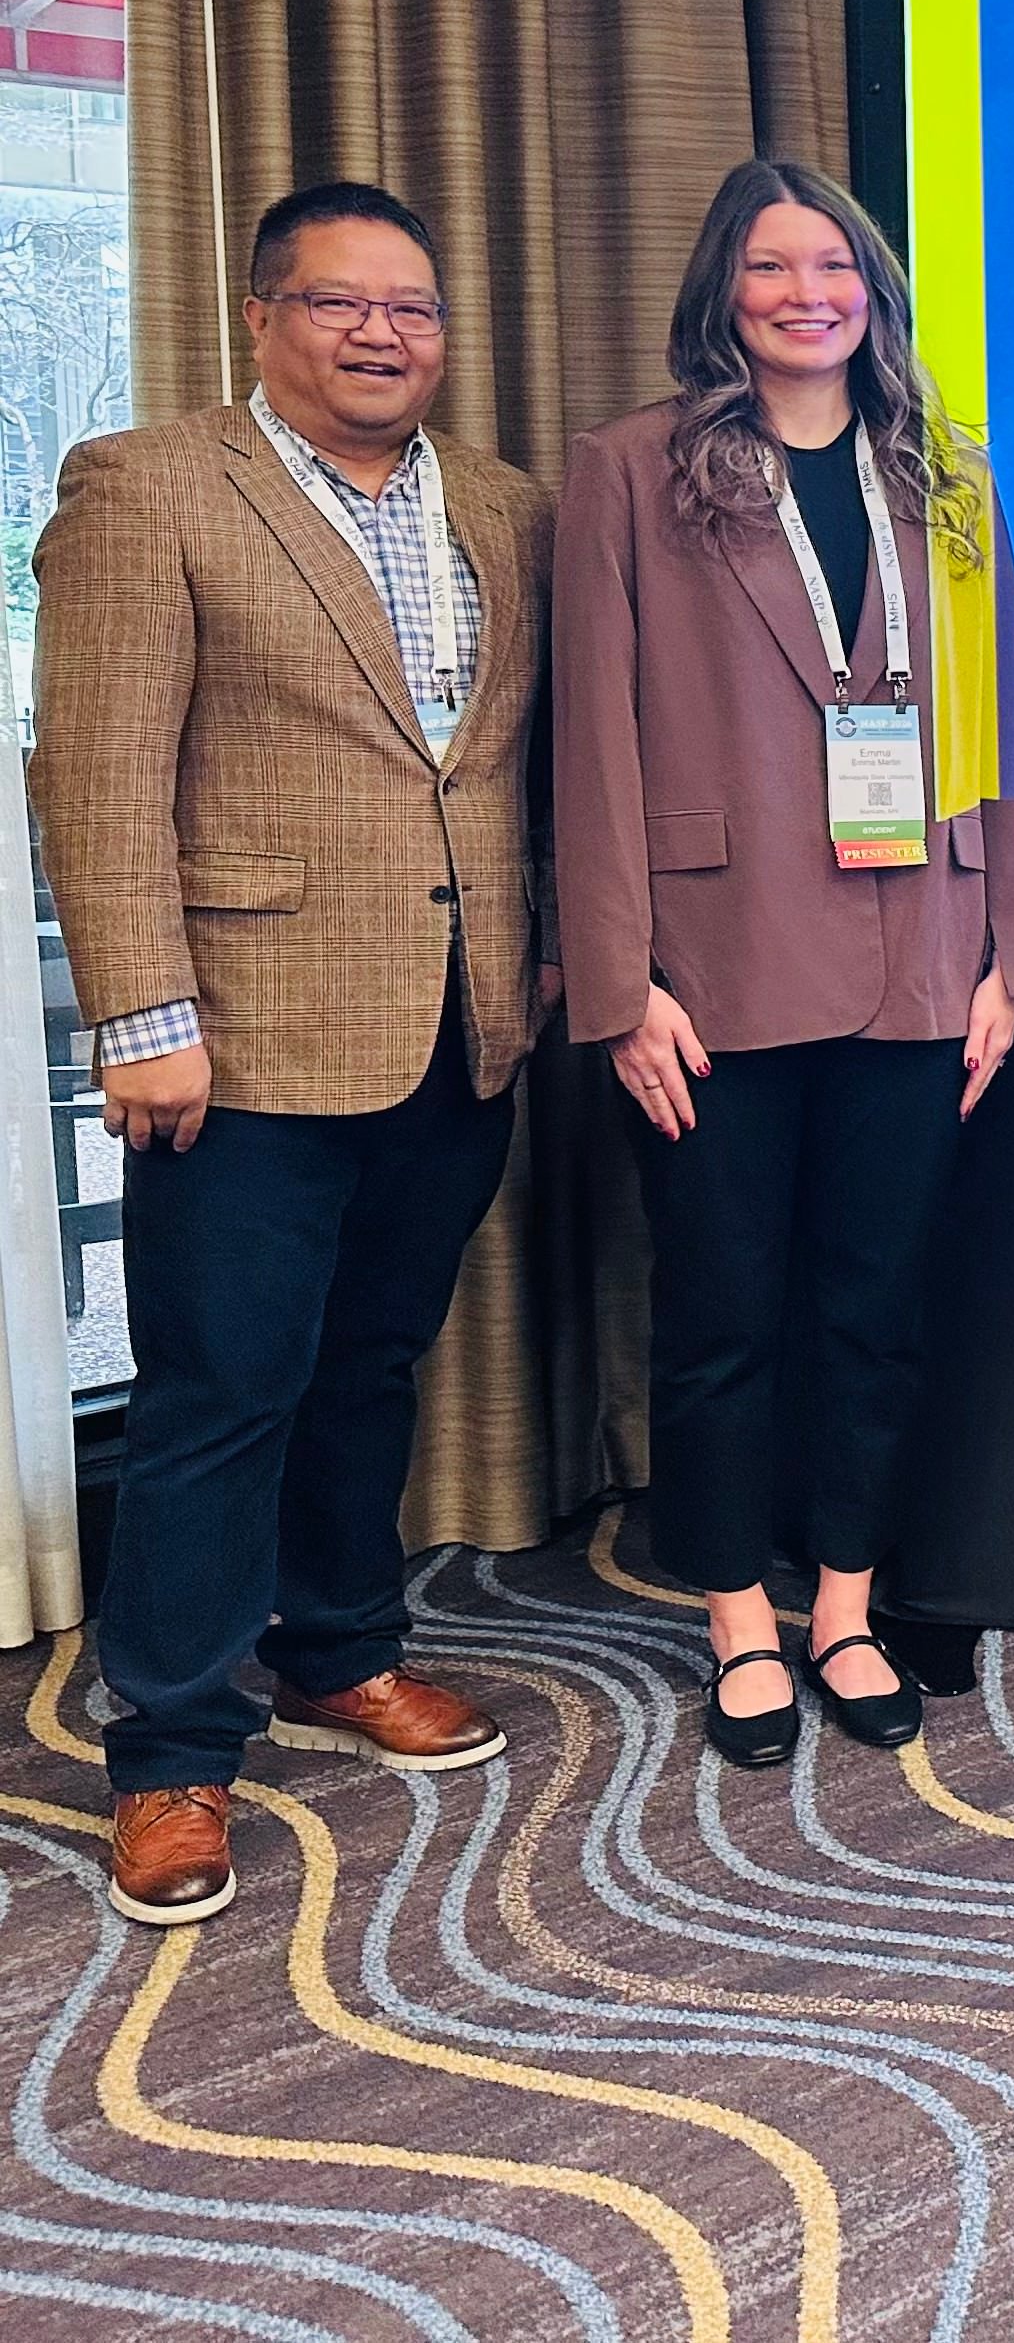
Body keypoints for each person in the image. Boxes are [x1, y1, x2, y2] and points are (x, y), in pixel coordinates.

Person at [30, 180, 551, 1925]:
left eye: (414, 307)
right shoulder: (151, 486)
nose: (383, 333)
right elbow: (97, 769)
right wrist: (141, 1016)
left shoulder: (504, 506)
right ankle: (170, 1753)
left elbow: (505, 762)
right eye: (342, 302)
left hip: (461, 1021)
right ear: (263, 316)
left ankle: (340, 1647)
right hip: (238, 1039)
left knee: (371, 1366)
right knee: (216, 1394)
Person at [553, 158, 1014, 1767]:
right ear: (724, 291)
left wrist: (1009, 954)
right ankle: (736, 1622)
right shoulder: (632, 471)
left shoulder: (945, 477)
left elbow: (999, 731)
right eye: (771, 266)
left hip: (922, 958)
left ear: (871, 292)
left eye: (832, 266)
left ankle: (842, 1606)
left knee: (873, 1307)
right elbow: (591, 746)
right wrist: (619, 985)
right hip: (712, 969)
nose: (805, 293)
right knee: (720, 1314)